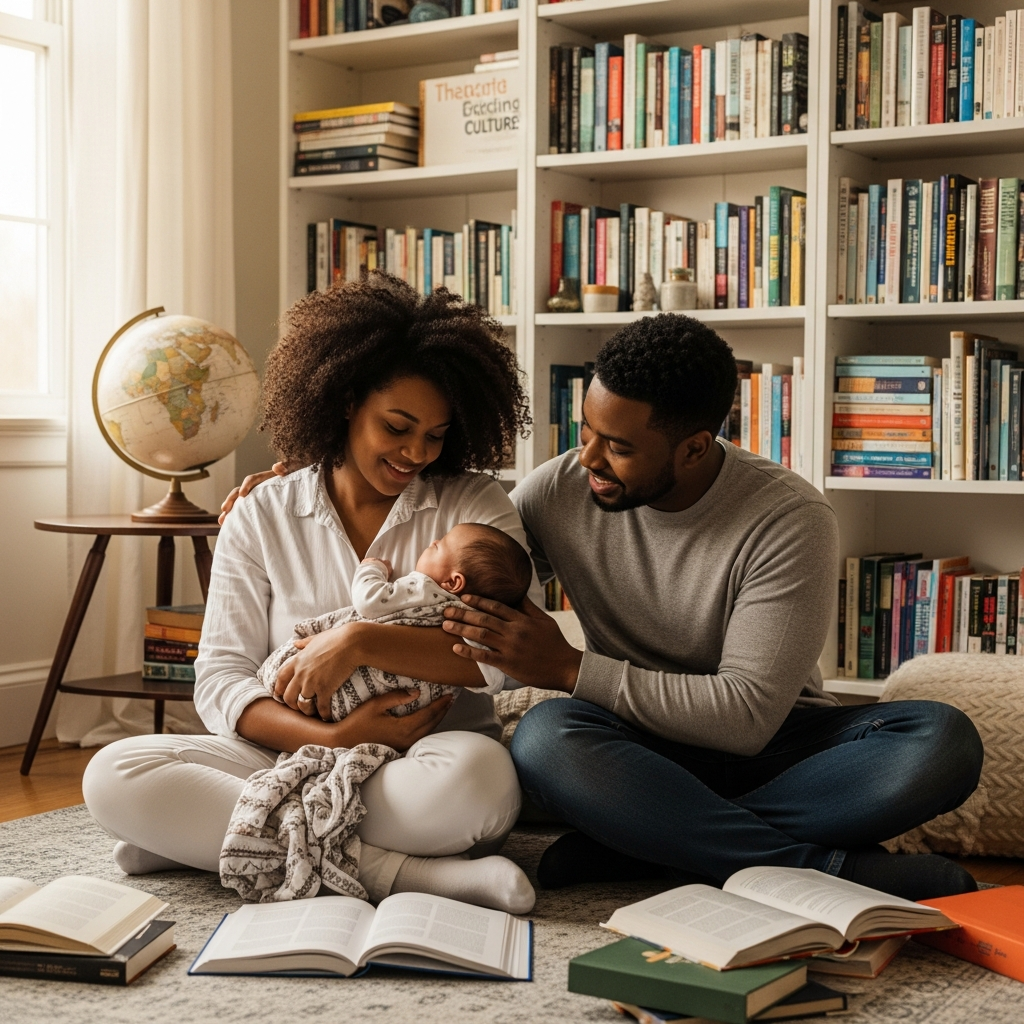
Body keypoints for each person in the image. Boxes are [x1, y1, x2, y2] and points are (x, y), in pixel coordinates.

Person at [438, 314, 983, 902]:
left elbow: (746, 717)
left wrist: (569, 669)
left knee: (942, 739)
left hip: (778, 747)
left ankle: (644, 843)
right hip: (639, 748)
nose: (589, 459)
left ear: (694, 447)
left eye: (618, 447)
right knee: (546, 738)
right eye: (587, 431)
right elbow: (476, 587)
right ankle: (813, 867)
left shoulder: (788, 519)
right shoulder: (560, 489)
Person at [82, 274, 538, 914]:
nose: (415, 452)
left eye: (435, 435)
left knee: (480, 790)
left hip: (423, 759)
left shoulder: (474, 508)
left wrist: (355, 641)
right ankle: (409, 874)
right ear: (347, 400)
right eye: (397, 426)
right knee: (112, 774)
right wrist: (329, 740)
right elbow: (221, 676)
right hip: (282, 751)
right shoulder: (261, 513)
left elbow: (502, 655)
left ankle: (208, 836)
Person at [257, 524, 533, 722]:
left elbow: (370, 601)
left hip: (329, 694)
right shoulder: (475, 627)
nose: (430, 543)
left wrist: (372, 569)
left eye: (436, 546)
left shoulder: (425, 589)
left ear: (452, 582)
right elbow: (493, 675)